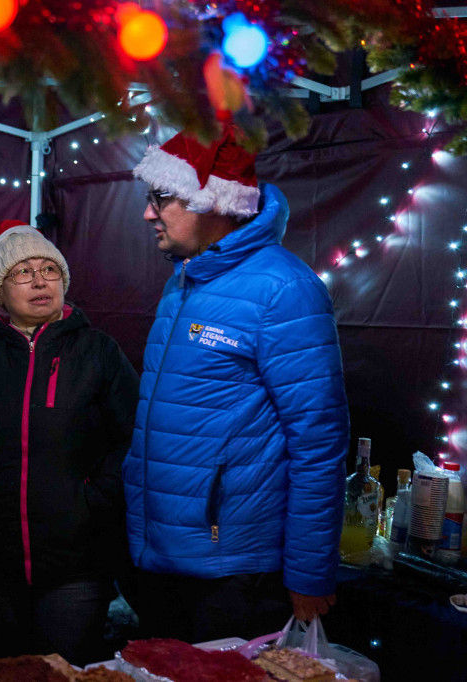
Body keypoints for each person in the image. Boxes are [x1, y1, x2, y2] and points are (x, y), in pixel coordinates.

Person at [123, 129, 349, 643]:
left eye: (161, 197)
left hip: (234, 571)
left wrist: (309, 572)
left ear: (213, 201)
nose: (148, 213)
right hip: (163, 556)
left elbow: (318, 442)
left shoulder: (284, 289)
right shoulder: (183, 280)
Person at [0, 220, 139, 665]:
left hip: (76, 563)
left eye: (49, 269)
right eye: (23, 272)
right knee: (4, 669)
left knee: (67, 669)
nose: (40, 281)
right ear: (0, 291)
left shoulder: (99, 352)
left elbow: (132, 438)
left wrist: (95, 500)